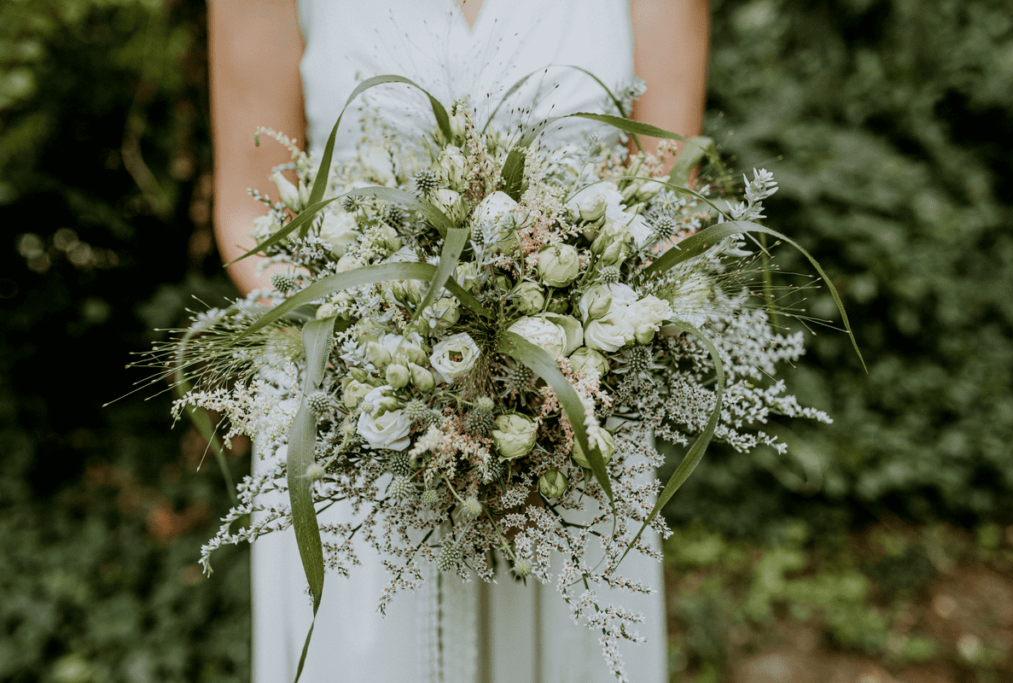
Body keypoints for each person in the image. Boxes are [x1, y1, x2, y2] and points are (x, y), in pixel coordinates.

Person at [208, 2, 709, 681]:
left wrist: (557, 372)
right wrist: (384, 352)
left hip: (578, 408)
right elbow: (251, 209)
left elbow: (671, 193)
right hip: (356, 412)